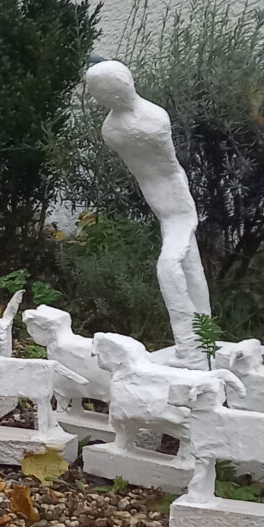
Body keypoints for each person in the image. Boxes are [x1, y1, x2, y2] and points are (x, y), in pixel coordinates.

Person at [85, 60, 212, 365]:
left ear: (115, 91)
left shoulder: (150, 119)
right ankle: (206, 343)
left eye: (96, 90)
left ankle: (193, 348)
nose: (94, 97)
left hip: (178, 206)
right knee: (191, 267)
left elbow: (165, 168)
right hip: (162, 205)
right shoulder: (113, 129)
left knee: (169, 267)